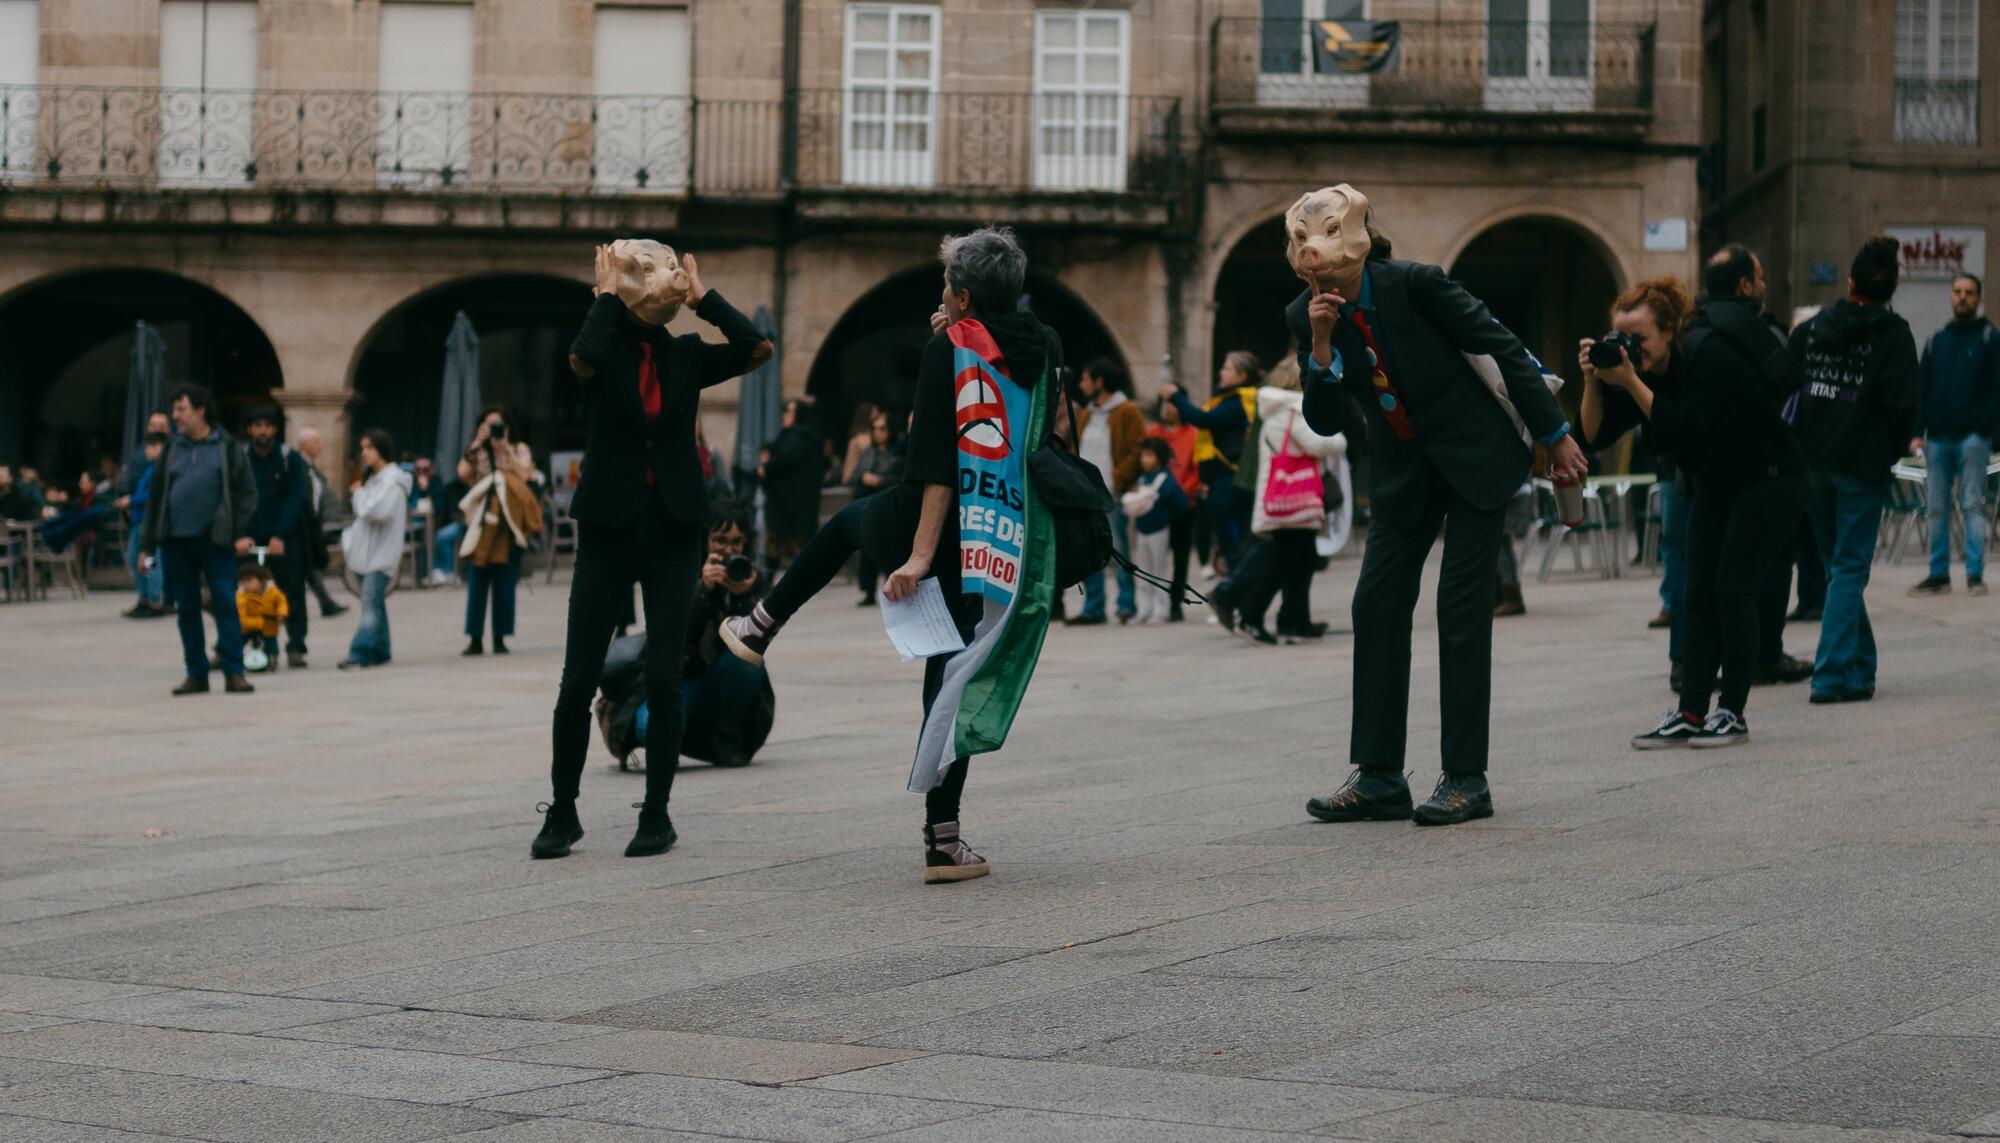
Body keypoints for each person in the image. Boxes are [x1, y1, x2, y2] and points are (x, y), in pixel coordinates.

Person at [719, 226, 1061, 883]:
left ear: (960, 296)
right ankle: (943, 835)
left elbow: (935, 460)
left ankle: (761, 622)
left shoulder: (948, 350)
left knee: (849, 524)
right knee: (952, 673)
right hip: (999, 533)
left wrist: (917, 555)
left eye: (946, 290)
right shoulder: (1041, 348)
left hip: (929, 520)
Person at [1280, 185, 1587, 826]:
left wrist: (1555, 436)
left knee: (1461, 609)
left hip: (1477, 458)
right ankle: (1380, 776)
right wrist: (1321, 348)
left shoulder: (1417, 285)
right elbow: (1326, 420)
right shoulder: (1306, 314)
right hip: (1404, 474)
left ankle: (1467, 779)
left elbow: (1503, 346)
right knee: (1376, 602)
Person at [533, 239, 770, 861]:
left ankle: (657, 814)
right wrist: (608, 296)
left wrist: (702, 297)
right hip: (608, 533)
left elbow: (755, 348)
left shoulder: (687, 357)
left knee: (664, 675)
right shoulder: (603, 349)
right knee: (576, 678)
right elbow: (582, 358)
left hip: (672, 532)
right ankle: (562, 812)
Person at [1583, 259, 1805, 750]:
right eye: (1621, 338)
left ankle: (1733, 712)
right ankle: (1690, 711)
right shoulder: (1642, 370)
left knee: (1732, 588)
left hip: (1770, 478)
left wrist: (1630, 380)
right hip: (1716, 482)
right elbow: (1594, 435)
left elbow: (1683, 424)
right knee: (1696, 592)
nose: (1629, 349)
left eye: (1639, 338)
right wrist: (1596, 381)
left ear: (1669, 330)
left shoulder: (1708, 356)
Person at [1791, 236, 1919, 704]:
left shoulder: (1813, 329)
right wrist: (1887, 450)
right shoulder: (1894, 335)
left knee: (1836, 567)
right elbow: (1905, 404)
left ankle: (1860, 669)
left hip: (1812, 464)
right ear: (1893, 290)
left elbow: (1786, 384)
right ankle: (1830, 675)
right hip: (1860, 468)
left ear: (1849, 283)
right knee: (1847, 569)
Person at [140, 384, 260, 696]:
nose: (175, 416)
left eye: (181, 409)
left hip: (216, 540)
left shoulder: (227, 446)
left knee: (224, 603)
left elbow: (247, 492)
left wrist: (239, 531)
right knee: (187, 608)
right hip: (176, 540)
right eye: (175, 410)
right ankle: (196, 673)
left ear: (200, 410)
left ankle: (235, 671)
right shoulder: (172, 449)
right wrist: (147, 545)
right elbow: (156, 499)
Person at [1237, 365, 1343, 643]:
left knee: (1299, 563)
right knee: (1285, 564)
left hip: (1289, 501)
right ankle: (1251, 614)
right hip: (1293, 501)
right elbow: (1320, 444)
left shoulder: (1278, 410)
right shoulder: (1291, 410)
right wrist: (1338, 436)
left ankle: (1295, 620)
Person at [1907, 273, 1997, 597]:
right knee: (1936, 507)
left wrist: (1985, 430)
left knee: (1973, 503)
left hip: (1972, 439)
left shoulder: (1989, 338)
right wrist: (1918, 433)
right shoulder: (1937, 341)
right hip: (1938, 439)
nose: (1962, 297)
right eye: (1957, 292)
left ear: (1979, 299)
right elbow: (1923, 390)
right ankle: (1938, 574)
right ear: (1950, 296)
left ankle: (1974, 576)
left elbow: (1997, 389)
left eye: (1969, 293)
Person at [1164, 353, 1262, 577]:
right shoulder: (1230, 400)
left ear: (1242, 376)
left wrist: (1176, 397)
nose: (1221, 372)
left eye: (1228, 369)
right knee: (1230, 538)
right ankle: (1235, 591)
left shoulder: (1237, 403)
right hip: (1223, 479)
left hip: (1230, 480)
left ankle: (1236, 594)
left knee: (1233, 540)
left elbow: (1203, 420)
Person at [457, 411, 542, 656]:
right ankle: (474, 637)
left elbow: (525, 474)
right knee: (478, 578)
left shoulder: (518, 448)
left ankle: (500, 636)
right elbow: (462, 473)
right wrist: (477, 441)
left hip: (509, 522)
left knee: (506, 580)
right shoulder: (479, 451)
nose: (493, 429)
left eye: (498, 424)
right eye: (488, 424)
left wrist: (505, 447)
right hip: (483, 522)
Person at [1069, 357, 1144, 625]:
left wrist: (1116, 477)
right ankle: (1094, 606)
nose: (1082, 384)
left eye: (1086, 379)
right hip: (1086, 493)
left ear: (1099, 382)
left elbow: (1136, 450)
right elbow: (1074, 448)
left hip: (1112, 492)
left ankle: (1126, 604)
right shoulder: (1087, 414)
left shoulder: (1127, 411)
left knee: (1119, 547)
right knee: (1089, 550)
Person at [241, 407, 312, 668]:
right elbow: (236, 497)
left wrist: (280, 534)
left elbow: (294, 498)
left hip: (283, 538)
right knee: (244, 594)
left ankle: (296, 645)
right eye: (257, 425)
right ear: (249, 429)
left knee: (292, 591)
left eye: (267, 426)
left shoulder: (288, 458)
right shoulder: (241, 458)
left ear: (274, 430)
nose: (262, 431)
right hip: (249, 537)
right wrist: (241, 534)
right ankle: (237, 644)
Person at [339, 429, 411, 671]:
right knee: (375, 603)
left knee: (370, 604)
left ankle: (360, 650)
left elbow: (376, 512)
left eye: (369, 448)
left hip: (380, 554)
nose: (364, 454)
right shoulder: (375, 479)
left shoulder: (391, 481)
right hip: (367, 552)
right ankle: (381, 648)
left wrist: (358, 494)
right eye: (362, 448)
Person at [1145, 394, 1203, 621]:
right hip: (1155, 504)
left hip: (1182, 503)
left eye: (1174, 404)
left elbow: (1197, 468)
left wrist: (1183, 491)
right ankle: (1152, 601)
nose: (1169, 409)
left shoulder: (1193, 434)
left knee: (1181, 554)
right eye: (1166, 403)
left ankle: (1175, 599)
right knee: (1153, 555)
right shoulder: (1152, 434)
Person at [1121, 439, 1190, 624]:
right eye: (1143, 455)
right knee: (1143, 571)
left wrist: (1167, 513)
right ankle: (1144, 608)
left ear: (1160, 457)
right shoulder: (1143, 478)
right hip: (1142, 531)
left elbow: (1181, 504)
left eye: (1149, 455)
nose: (1144, 459)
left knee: (1159, 572)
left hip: (1159, 530)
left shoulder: (1165, 479)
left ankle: (1162, 609)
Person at [759, 398, 826, 570]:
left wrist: (766, 465)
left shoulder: (796, 437)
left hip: (786, 506)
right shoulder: (810, 437)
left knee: (780, 547)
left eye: (789, 411)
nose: (785, 415)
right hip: (798, 505)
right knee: (797, 550)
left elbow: (784, 459)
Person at [293, 427, 348, 618]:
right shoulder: (297, 466)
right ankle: (325, 604)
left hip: (311, 523)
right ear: (305, 445)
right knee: (306, 566)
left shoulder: (309, 467)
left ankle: (326, 604)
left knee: (309, 566)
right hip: (302, 524)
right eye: (316, 442)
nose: (320, 446)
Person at [850, 411, 904, 606]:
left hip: (889, 507)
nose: (878, 433)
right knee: (867, 552)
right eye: (875, 429)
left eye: (882, 428)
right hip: (868, 505)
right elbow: (855, 475)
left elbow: (901, 479)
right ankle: (868, 590)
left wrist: (879, 480)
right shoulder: (869, 453)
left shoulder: (898, 452)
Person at [117, 431, 170, 618]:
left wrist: (132, 501)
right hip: (141, 521)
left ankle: (154, 600)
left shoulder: (161, 470)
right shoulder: (150, 468)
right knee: (138, 559)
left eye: (155, 446)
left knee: (151, 560)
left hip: (151, 522)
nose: (149, 450)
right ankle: (145, 597)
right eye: (148, 446)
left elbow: (154, 496)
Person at [234, 561, 288, 667]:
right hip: (248, 626)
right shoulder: (241, 597)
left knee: (271, 641)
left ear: (261, 580)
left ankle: (272, 657)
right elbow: (241, 617)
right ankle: (234, 658)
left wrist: (281, 614)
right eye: (243, 582)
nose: (246, 585)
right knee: (238, 641)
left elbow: (282, 602)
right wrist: (260, 622)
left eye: (249, 581)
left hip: (269, 625)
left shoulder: (272, 592)